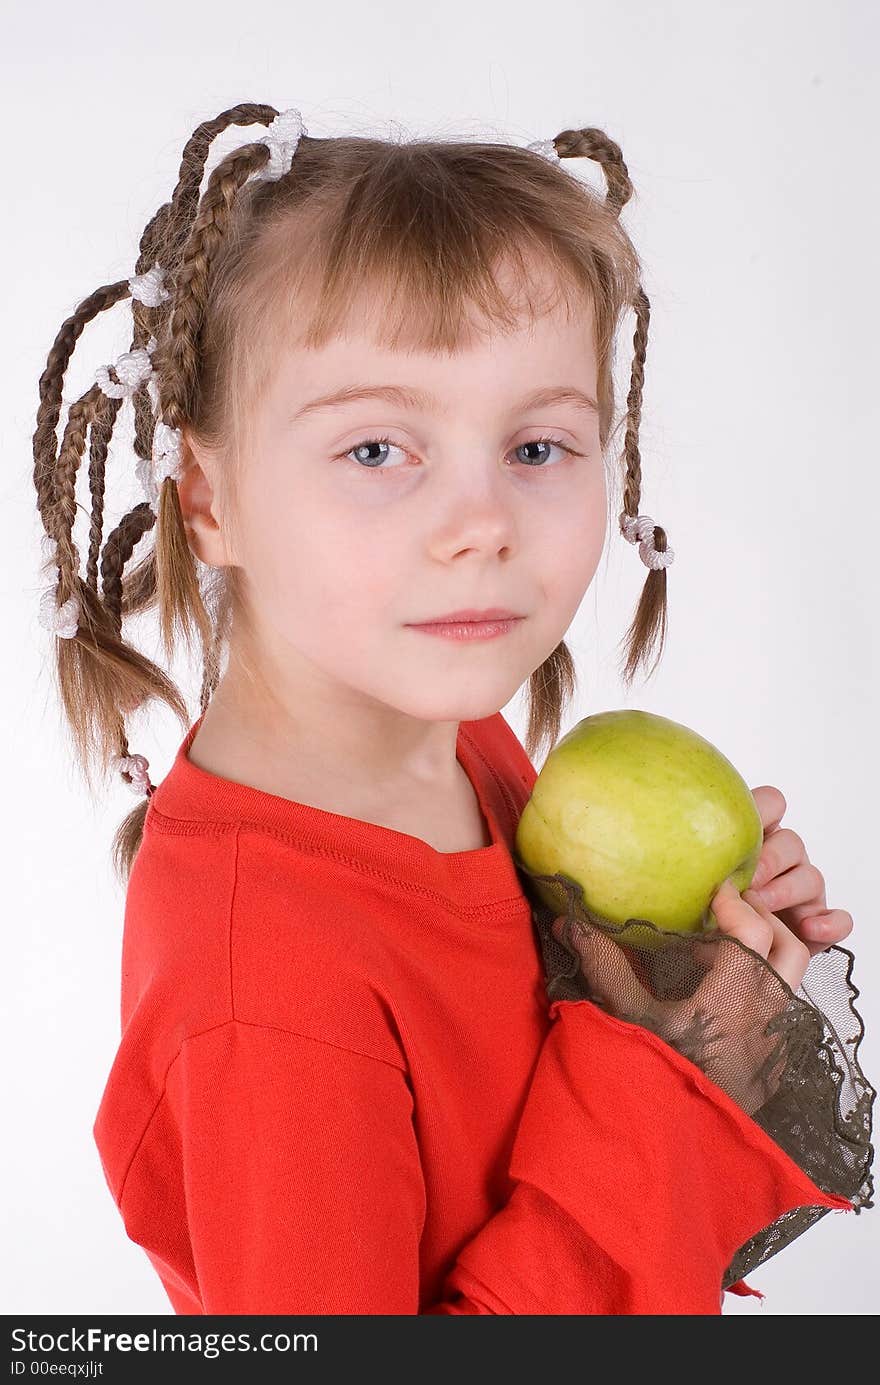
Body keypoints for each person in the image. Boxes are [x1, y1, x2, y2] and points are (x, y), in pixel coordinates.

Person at [33, 103, 862, 1315]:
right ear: (209, 497)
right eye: (377, 449)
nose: (483, 523)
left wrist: (675, 975)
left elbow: (527, 1108)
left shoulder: (452, 743)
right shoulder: (267, 991)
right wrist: (666, 1081)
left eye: (536, 446)